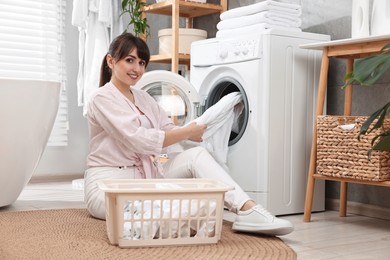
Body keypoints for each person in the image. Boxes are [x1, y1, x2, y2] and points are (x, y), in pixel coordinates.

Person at [84, 32, 293, 236]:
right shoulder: (101, 98)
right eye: (130, 60)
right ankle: (181, 217)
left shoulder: (144, 98)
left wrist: (195, 129)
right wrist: (185, 133)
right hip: (109, 182)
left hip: (148, 175)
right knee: (153, 212)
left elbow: (166, 128)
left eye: (141, 63)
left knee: (196, 156)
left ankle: (247, 209)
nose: (137, 68)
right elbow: (138, 139)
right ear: (111, 61)